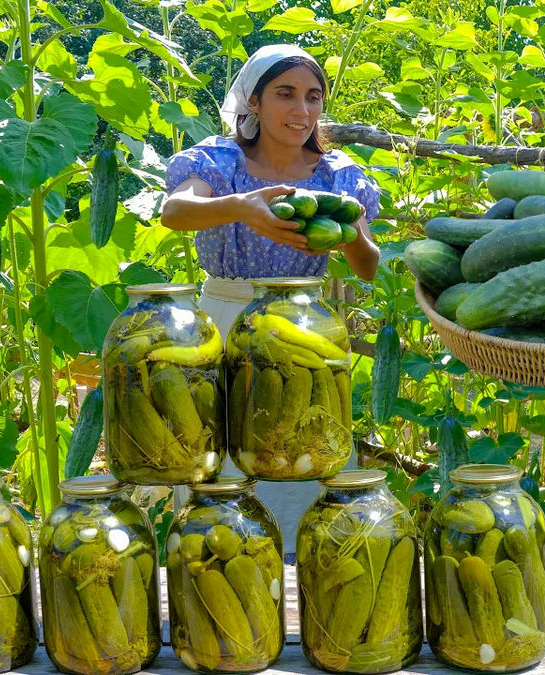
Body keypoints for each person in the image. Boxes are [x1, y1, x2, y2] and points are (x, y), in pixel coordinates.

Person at [161, 45, 381, 554]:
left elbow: (367, 266)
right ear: (254, 102)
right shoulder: (218, 161)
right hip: (224, 321)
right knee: (223, 464)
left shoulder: (338, 176)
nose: (301, 110)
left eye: (313, 97)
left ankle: (307, 581)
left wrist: (347, 227)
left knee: (304, 449)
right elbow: (175, 210)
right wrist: (240, 207)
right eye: (285, 94)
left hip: (302, 329)